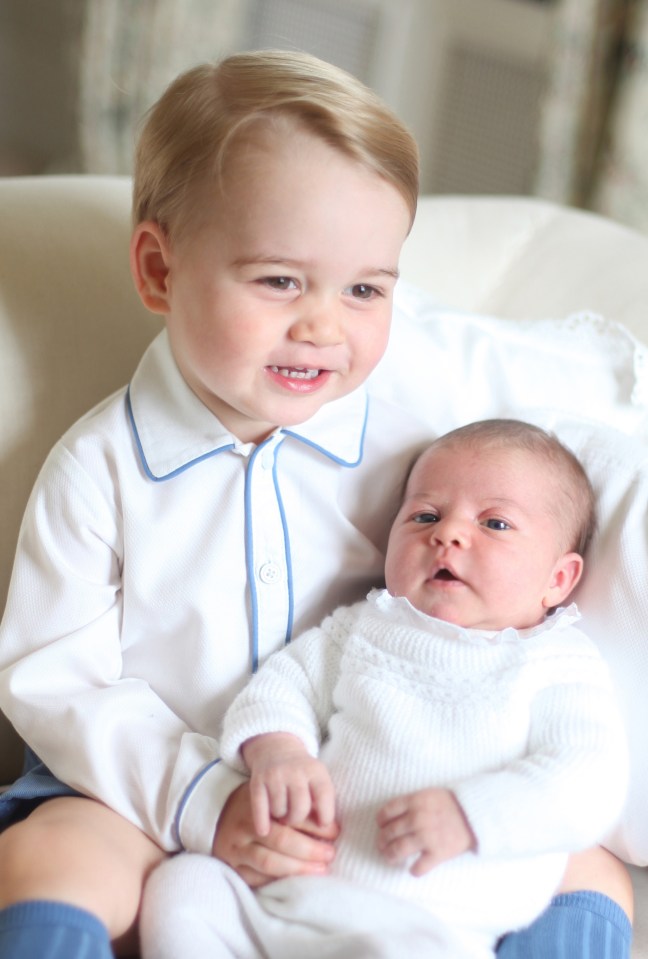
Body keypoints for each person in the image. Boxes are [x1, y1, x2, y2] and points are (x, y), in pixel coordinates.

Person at [0, 50, 632, 959]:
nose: (325, 326)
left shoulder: (421, 417)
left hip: (384, 782)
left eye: (366, 288)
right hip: (147, 789)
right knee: (51, 856)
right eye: (279, 281)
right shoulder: (100, 468)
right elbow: (58, 683)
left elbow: (568, 383)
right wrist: (206, 801)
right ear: (159, 269)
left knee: (587, 865)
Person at [140, 419, 628, 959]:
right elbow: (283, 684)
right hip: (283, 903)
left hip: (427, 930)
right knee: (183, 887)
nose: (448, 534)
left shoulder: (555, 662)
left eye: (495, 523)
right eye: (425, 515)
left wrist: (472, 816)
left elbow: (590, 780)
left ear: (557, 579)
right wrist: (278, 749)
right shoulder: (364, 627)